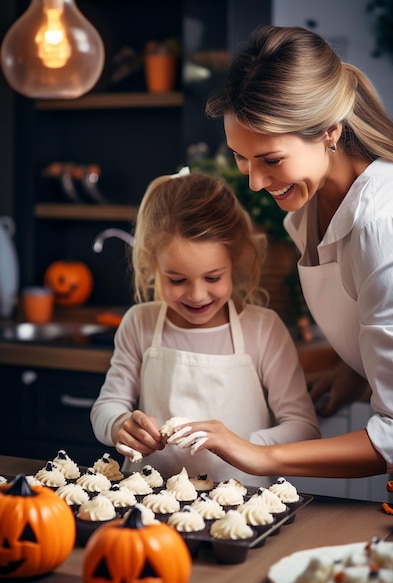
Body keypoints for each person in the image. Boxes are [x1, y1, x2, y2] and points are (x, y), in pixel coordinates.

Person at [169, 25, 393, 480]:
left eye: (270, 160)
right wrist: (356, 370)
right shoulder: (307, 211)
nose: (254, 182)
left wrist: (260, 455)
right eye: (240, 157)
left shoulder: (380, 224)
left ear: (330, 132)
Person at [91, 169, 320, 486]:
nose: (197, 295)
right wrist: (119, 424)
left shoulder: (263, 329)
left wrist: (242, 444)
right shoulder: (139, 323)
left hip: (242, 506)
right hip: (150, 504)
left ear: (235, 262)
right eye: (177, 280)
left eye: (213, 277)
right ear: (153, 265)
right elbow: (105, 407)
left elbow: (303, 426)